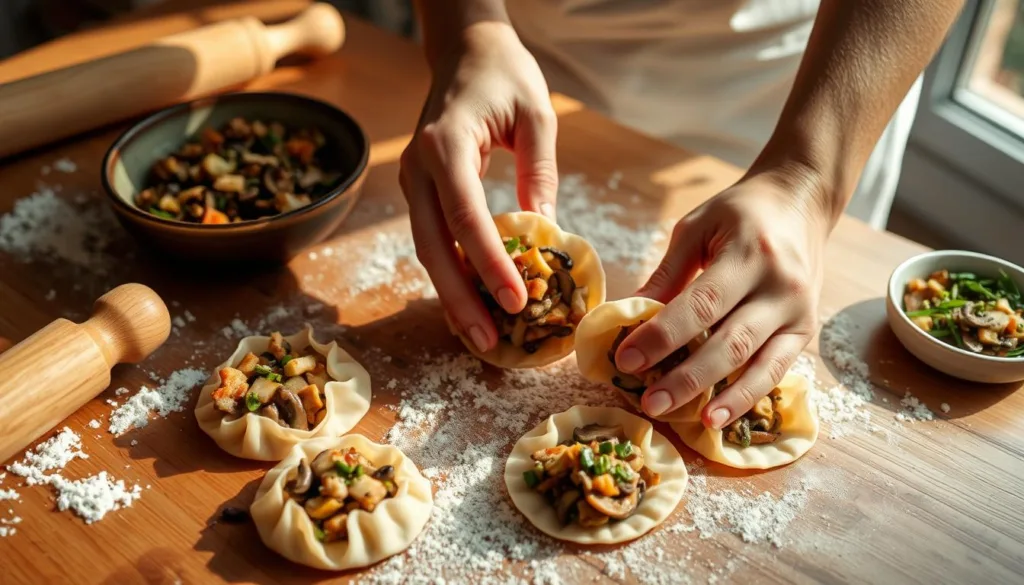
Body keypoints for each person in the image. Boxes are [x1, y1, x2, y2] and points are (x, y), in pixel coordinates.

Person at [399, 0, 965, 430]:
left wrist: (808, 179)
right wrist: (468, 29)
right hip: (533, 57)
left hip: (810, 82)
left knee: (749, 315)